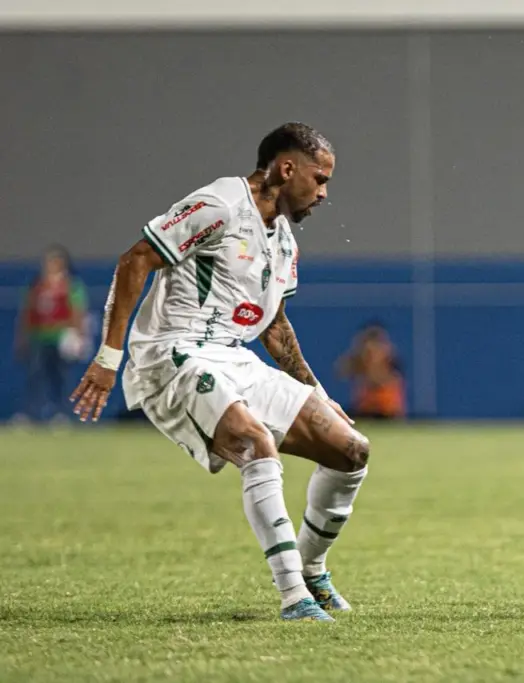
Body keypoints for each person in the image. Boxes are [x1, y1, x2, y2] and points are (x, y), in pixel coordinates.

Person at [70, 123, 369, 622]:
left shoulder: (284, 242)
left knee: (351, 451)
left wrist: (315, 390)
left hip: (232, 356)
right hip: (172, 354)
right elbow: (135, 260)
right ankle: (293, 595)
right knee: (255, 443)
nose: (323, 193)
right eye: (319, 179)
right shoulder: (221, 204)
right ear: (287, 168)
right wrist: (107, 358)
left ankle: (313, 570)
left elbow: (274, 327)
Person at [15, 246, 90, 423]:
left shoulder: (71, 285)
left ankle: (62, 414)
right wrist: (23, 337)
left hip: (61, 337)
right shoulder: (37, 285)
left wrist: (79, 336)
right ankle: (31, 413)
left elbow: (78, 311)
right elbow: (27, 312)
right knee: (36, 376)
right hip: (40, 337)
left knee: (61, 377)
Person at [335, 321, 407, 420]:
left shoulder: (390, 359)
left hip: (387, 411)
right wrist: (358, 354)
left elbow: (378, 380)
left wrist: (373, 363)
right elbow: (341, 371)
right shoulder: (360, 360)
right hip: (364, 410)